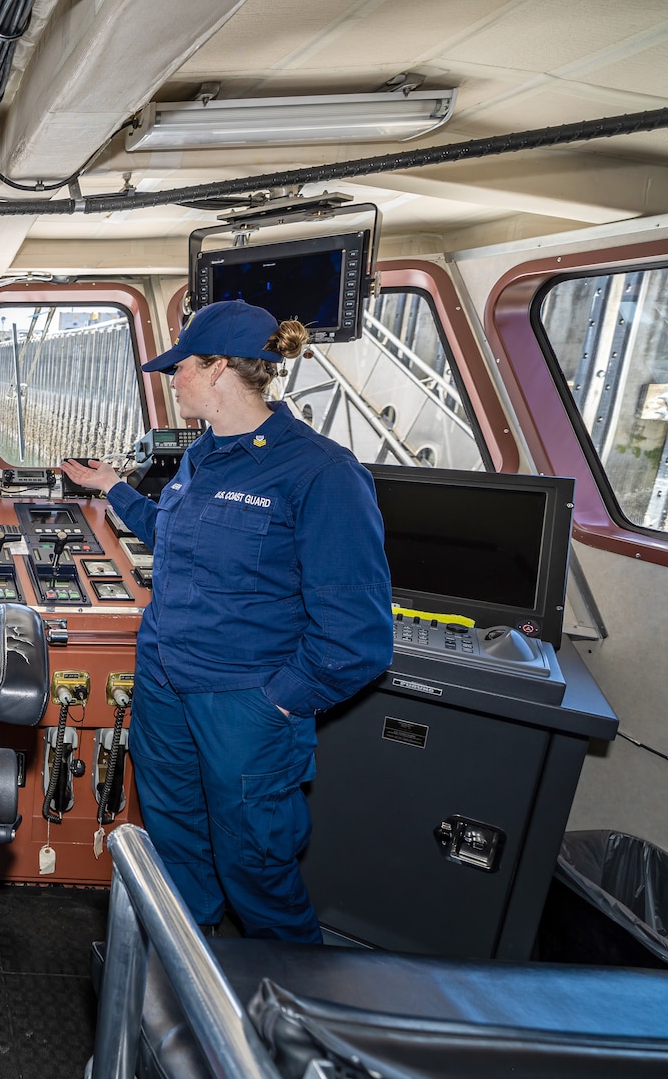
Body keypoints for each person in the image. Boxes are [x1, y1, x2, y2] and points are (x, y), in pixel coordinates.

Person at [62, 299, 393, 942]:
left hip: (244, 701)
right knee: (177, 846)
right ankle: (186, 990)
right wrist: (114, 489)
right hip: (164, 684)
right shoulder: (203, 457)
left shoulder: (321, 474)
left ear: (217, 369)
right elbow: (176, 534)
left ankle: (289, 1024)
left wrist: (276, 705)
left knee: (256, 868)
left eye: (180, 367)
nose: (172, 378)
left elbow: (355, 637)